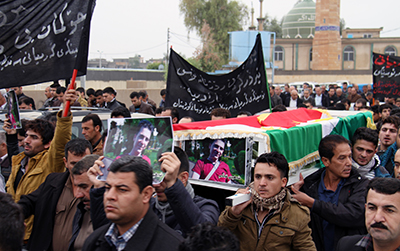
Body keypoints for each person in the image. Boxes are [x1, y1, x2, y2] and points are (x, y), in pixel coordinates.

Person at [88, 147, 220, 237]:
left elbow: (201, 236)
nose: (157, 184)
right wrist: (99, 188)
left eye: (164, 176)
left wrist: (173, 185)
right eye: (155, 176)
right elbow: (106, 233)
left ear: (183, 178)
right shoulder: (146, 205)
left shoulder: (207, 206)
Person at [6, 89, 76, 242]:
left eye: (34, 137)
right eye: (26, 136)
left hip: (33, 236)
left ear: (47, 144)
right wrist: (11, 135)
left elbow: (61, 141)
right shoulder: (19, 162)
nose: (26, 141)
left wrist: (66, 108)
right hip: (11, 234)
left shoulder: (49, 163)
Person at [218, 152, 316, 251]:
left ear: (283, 182)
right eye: (258, 177)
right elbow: (219, 237)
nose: (262, 183)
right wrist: (233, 214)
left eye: (269, 178)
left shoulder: (297, 214)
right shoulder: (240, 201)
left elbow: (307, 248)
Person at [83, 156, 183, 251]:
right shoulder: (94, 241)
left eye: (122, 190)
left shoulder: (172, 246)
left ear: (146, 194)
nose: (110, 196)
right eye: (108, 188)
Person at [291, 134, 369, 251]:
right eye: (342, 158)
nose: (349, 163)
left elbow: (354, 214)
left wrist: (313, 204)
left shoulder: (360, 183)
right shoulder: (310, 185)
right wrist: (292, 192)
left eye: (349, 156)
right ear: (326, 161)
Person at [17, 138, 92, 251]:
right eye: (74, 164)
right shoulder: (53, 182)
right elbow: (29, 202)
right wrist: (14, 216)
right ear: (65, 162)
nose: (79, 169)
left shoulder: (101, 189)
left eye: (83, 162)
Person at [336, 178, 400, 251]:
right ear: (365, 208)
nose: (377, 218)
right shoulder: (346, 246)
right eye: (372, 208)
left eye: (389, 210)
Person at [70, 154, 102, 251]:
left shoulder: (114, 217)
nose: (78, 195)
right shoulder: (81, 210)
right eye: (76, 187)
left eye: (84, 187)